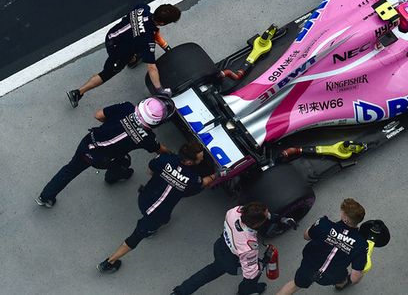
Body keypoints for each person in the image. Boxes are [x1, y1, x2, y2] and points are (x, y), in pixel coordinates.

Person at [97, 142, 217, 273]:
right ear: (189, 162)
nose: (202, 159)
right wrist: (216, 175)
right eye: (200, 158)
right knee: (136, 237)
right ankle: (109, 262)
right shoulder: (193, 179)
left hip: (144, 198)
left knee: (147, 221)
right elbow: (203, 184)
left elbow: (150, 170)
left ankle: (112, 260)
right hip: (157, 214)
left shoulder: (164, 158)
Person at [35, 96, 175, 208]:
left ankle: (45, 197)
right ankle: (112, 177)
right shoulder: (147, 138)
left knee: (69, 170)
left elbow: (98, 115)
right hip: (102, 159)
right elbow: (159, 149)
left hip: (88, 144)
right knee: (124, 161)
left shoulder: (126, 107)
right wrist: (172, 155)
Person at [67, 3, 181, 108]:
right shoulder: (147, 40)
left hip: (113, 35)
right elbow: (152, 68)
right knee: (106, 74)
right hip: (117, 50)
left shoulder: (143, 8)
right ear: (162, 23)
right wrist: (160, 90)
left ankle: (132, 59)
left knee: (136, 50)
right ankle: (78, 92)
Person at [172, 203, 297, 295]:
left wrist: (281, 219)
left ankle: (180, 292)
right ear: (256, 225)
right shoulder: (249, 246)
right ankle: (245, 292)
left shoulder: (234, 212)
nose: (268, 215)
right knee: (253, 275)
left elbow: (263, 215)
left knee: (209, 272)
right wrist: (265, 260)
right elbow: (250, 273)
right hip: (231, 262)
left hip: (221, 246)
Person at [277, 199, 369, 294]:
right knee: (342, 278)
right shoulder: (361, 244)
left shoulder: (323, 224)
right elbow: (355, 278)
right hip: (332, 275)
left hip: (309, 267)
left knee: (294, 285)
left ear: (345, 218)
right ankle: (340, 285)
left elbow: (306, 236)